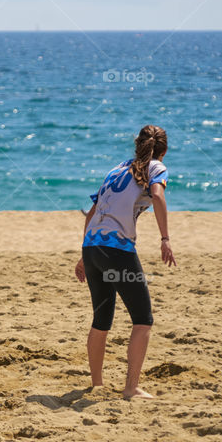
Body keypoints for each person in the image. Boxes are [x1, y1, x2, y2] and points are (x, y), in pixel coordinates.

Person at [74, 125, 176, 400]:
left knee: (101, 319)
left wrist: (83, 254)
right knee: (143, 320)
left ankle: (97, 384)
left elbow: (92, 212)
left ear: (137, 145)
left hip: (92, 246)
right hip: (117, 249)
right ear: (163, 152)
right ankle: (131, 388)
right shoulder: (155, 167)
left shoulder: (117, 168)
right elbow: (157, 195)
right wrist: (165, 238)